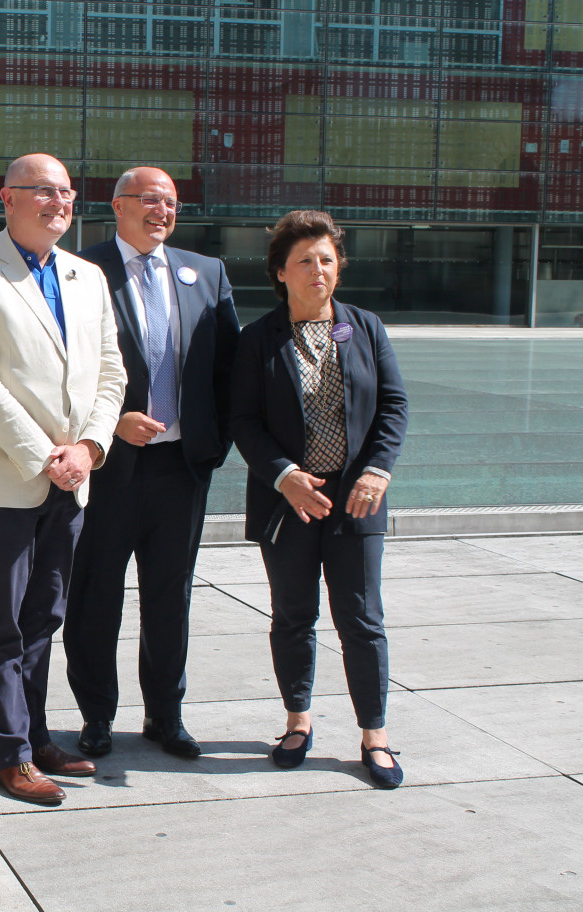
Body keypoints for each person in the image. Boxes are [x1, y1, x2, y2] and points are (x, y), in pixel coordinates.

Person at [0, 153, 127, 805]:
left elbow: (111, 372)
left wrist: (92, 447)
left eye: (67, 192)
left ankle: (36, 734)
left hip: (72, 480)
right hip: (2, 482)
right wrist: (47, 453)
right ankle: (7, 754)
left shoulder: (87, 276)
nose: (58, 202)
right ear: (6, 198)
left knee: (45, 615)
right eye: (41, 191)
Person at [64, 167, 240, 760]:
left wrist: (211, 447)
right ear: (118, 206)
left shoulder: (206, 273)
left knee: (171, 596)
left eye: (170, 202)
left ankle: (166, 715)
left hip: (180, 470)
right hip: (109, 467)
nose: (161, 211)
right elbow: (62, 369)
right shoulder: (81, 272)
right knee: (95, 597)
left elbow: (226, 369)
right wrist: (111, 424)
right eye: (148, 200)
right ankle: (95, 718)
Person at [229, 209, 409, 789]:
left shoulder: (366, 327)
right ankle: (298, 722)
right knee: (294, 616)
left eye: (327, 259)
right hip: (291, 503)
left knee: (362, 619)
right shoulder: (257, 340)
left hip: (357, 500)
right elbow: (244, 420)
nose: (317, 270)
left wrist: (377, 471)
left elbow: (393, 406)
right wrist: (284, 475)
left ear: (339, 268)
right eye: (304, 261)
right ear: (279, 271)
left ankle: (375, 735)